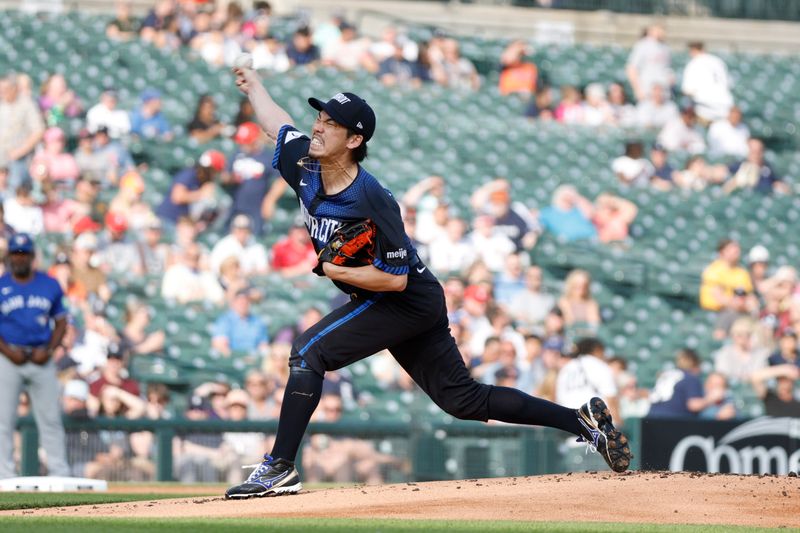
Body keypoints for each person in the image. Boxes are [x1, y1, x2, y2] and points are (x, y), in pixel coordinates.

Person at [223, 62, 631, 498]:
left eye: (331, 123)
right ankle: (582, 422)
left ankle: (279, 467)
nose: (318, 127)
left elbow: (394, 281)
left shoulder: (371, 197)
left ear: (355, 139)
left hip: (404, 298)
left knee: (307, 352)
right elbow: (276, 125)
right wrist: (255, 86)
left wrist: (340, 271)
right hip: (395, 300)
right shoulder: (303, 162)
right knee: (464, 400)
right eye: (320, 118)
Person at [0, 234, 70, 478]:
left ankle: (59, 473)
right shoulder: (1, 285)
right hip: (9, 357)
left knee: (50, 418)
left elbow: (61, 322)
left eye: (24, 253)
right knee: (3, 420)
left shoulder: (49, 284)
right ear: (9, 256)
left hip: (42, 357)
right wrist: (8, 351)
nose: (20, 257)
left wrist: (49, 349)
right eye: (16, 253)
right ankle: (4, 476)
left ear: (32, 256)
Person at [224, 121, 286, 236]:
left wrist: (270, 200)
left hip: (256, 208)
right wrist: (232, 178)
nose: (243, 145)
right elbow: (225, 177)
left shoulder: (267, 156)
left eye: (246, 142)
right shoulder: (237, 154)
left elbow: (282, 179)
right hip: (236, 205)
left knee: (254, 239)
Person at [0, 73, 45, 189]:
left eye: (6, 89)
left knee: (15, 189)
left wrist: (19, 151)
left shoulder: (26, 104)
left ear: (14, 88)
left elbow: (38, 131)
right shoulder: (2, 104)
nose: (2, 92)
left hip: (19, 159)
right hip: (2, 157)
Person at [648, 349, 712, 418]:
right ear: (696, 364)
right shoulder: (690, 378)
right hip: (673, 421)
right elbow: (694, 405)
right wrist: (711, 398)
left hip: (652, 418)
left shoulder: (666, 375)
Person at [681, 42, 733, 123]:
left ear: (693, 50)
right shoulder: (717, 61)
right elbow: (728, 84)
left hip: (705, 109)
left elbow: (687, 90)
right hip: (725, 107)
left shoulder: (693, 64)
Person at [699, 238, 755, 312]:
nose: (736, 250)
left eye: (737, 248)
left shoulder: (742, 273)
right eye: (732, 248)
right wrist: (736, 303)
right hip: (715, 312)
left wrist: (749, 305)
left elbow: (749, 297)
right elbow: (718, 296)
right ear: (722, 252)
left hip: (738, 312)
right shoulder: (713, 270)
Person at [723, 138, 790, 195]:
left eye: (758, 151)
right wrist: (737, 181)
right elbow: (725, 190)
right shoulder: (739, 166)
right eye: (753, 151)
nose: (756, 155)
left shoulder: (768, 169)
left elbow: (784, 188)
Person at [625, 24, 673, 102]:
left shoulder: (666, 48)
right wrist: (637, 90)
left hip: (663, 92)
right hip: (647, 90)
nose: (661, 32)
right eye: (658, 29)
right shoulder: (642, 45)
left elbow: (667, 68)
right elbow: (631, 68)